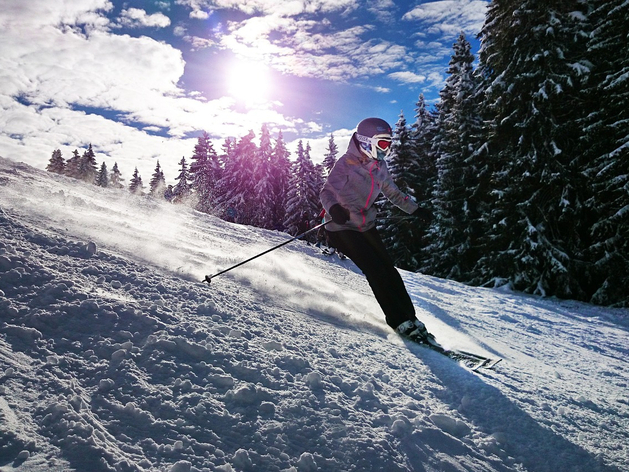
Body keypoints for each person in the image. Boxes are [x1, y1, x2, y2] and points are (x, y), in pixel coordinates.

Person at [320, 117, 433, 343]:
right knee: (375, 270)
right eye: (382, 144)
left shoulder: (380, 166)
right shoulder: (345, 163)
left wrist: (415, 210)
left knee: (389, 270)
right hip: (341, 227)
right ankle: (398, 320)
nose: (387, 149)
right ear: (365, 141)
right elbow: (326, 192)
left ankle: (411, 318)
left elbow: (392, 192)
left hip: (365, 225)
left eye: (389, 144)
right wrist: (334, 208)